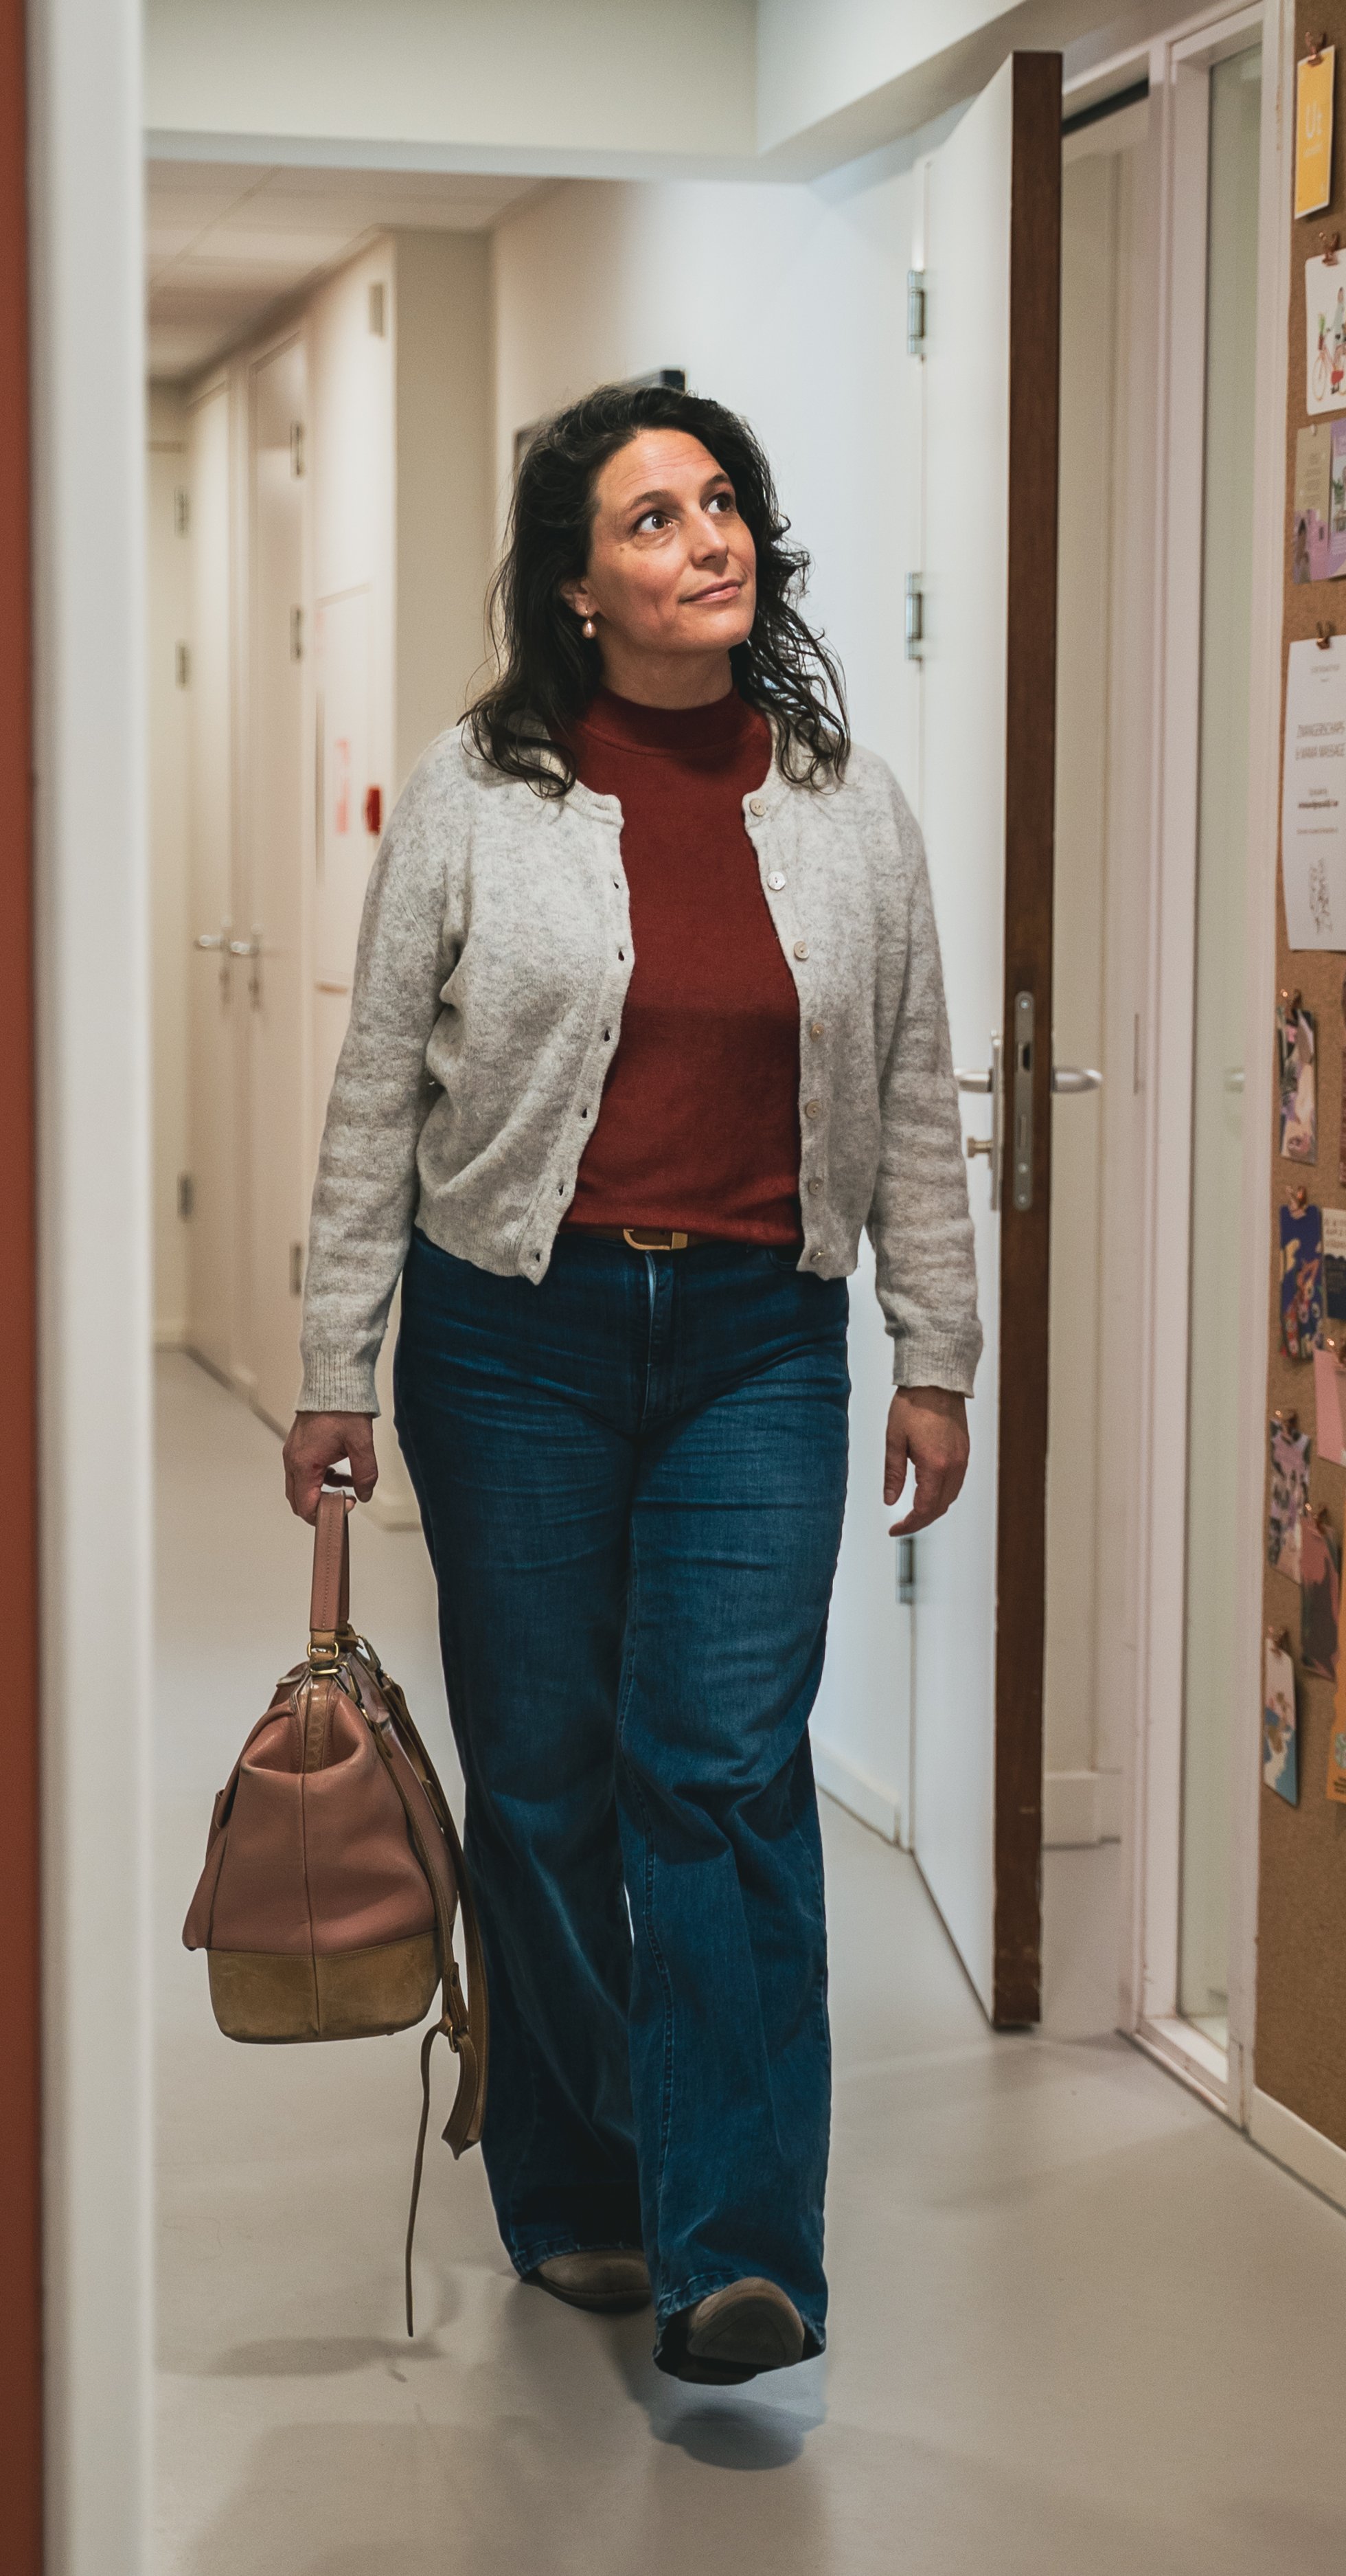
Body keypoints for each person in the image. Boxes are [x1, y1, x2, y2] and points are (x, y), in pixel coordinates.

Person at [281, 381, 981, 2385]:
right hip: (514, 1336)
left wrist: (936, 1349)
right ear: (576, 587)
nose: (708, 536)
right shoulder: (475, 791)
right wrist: (335, 1361)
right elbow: (376, 1094)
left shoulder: (845, 801)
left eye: (722, 500)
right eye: (654, 516)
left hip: (761, 1337)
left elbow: (906, 1090)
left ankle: (738, 2242)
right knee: (543, 1771)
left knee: (720, 1765)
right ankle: (579, 2170)